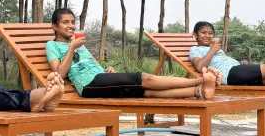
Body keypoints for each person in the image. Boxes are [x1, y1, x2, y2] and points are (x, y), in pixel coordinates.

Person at [47, 8, 218, 100]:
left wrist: (106, 70)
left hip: (99, 79)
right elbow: (59, 74)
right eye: (65, 22)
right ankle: (199, 80)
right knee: (144, 78)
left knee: (147, 92)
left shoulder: (79, 44)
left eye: (73, 22)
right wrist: (71, 48)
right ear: (55, 26)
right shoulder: (52, 45)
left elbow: (93, 65)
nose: (71, 26)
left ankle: (198, 91)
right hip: (88, 85)